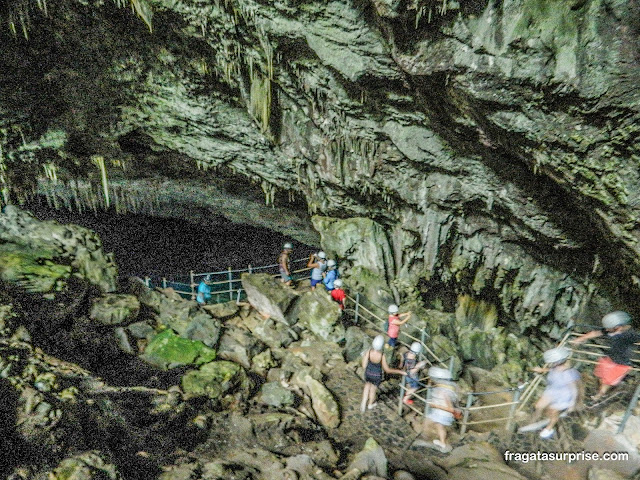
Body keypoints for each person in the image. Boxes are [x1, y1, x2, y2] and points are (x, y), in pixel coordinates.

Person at [571, 311, 640, 401]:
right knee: (602, 378)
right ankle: (602, 392)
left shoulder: (630, 334)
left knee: (606, 381)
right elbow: (595, 333)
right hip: (609, 359)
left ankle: (599, 396)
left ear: (618, 327)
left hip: (621, 363)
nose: (606, 330)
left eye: (609, 328)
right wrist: (580, 339)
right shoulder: (611, 330)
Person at [519, 347, 581, 439]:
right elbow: (551, 370)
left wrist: (572, 403)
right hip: (552, 390)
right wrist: (541, 370)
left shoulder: (568, 373)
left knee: (552, 412)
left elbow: (574, 388)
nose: (550, 364)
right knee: (538, 406)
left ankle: (549, 428)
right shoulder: (555, 368)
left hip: (563, 395)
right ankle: (533, 421)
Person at [361, 335, 406, 413]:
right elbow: (387, 370)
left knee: (367, 385)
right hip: (377, 375)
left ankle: (364, 402)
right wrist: (400, 371)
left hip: (368, 373)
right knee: (373, 390)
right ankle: (370, 404)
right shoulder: (382, 355)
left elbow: (364, 365)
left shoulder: (369, 352)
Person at [425, 366, 460, 453]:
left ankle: (430, 439)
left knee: (429, 423)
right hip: (440, 413)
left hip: (442, 414)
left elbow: (450, 408)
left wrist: (435, 405)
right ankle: (442, 442)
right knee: (438, 426)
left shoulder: (444, 391)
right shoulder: (446, 388)